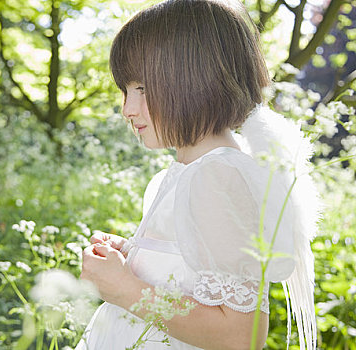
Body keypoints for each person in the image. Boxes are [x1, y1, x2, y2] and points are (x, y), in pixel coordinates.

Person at [76, 0, 318, 349]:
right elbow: (193, 273)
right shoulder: (189, 172)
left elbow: (241, 336)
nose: (128, 109)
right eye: (125, 91)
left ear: (195, 78)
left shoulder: (216, 176)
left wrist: (124, 288)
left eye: (142, 88)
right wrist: (133, 256)